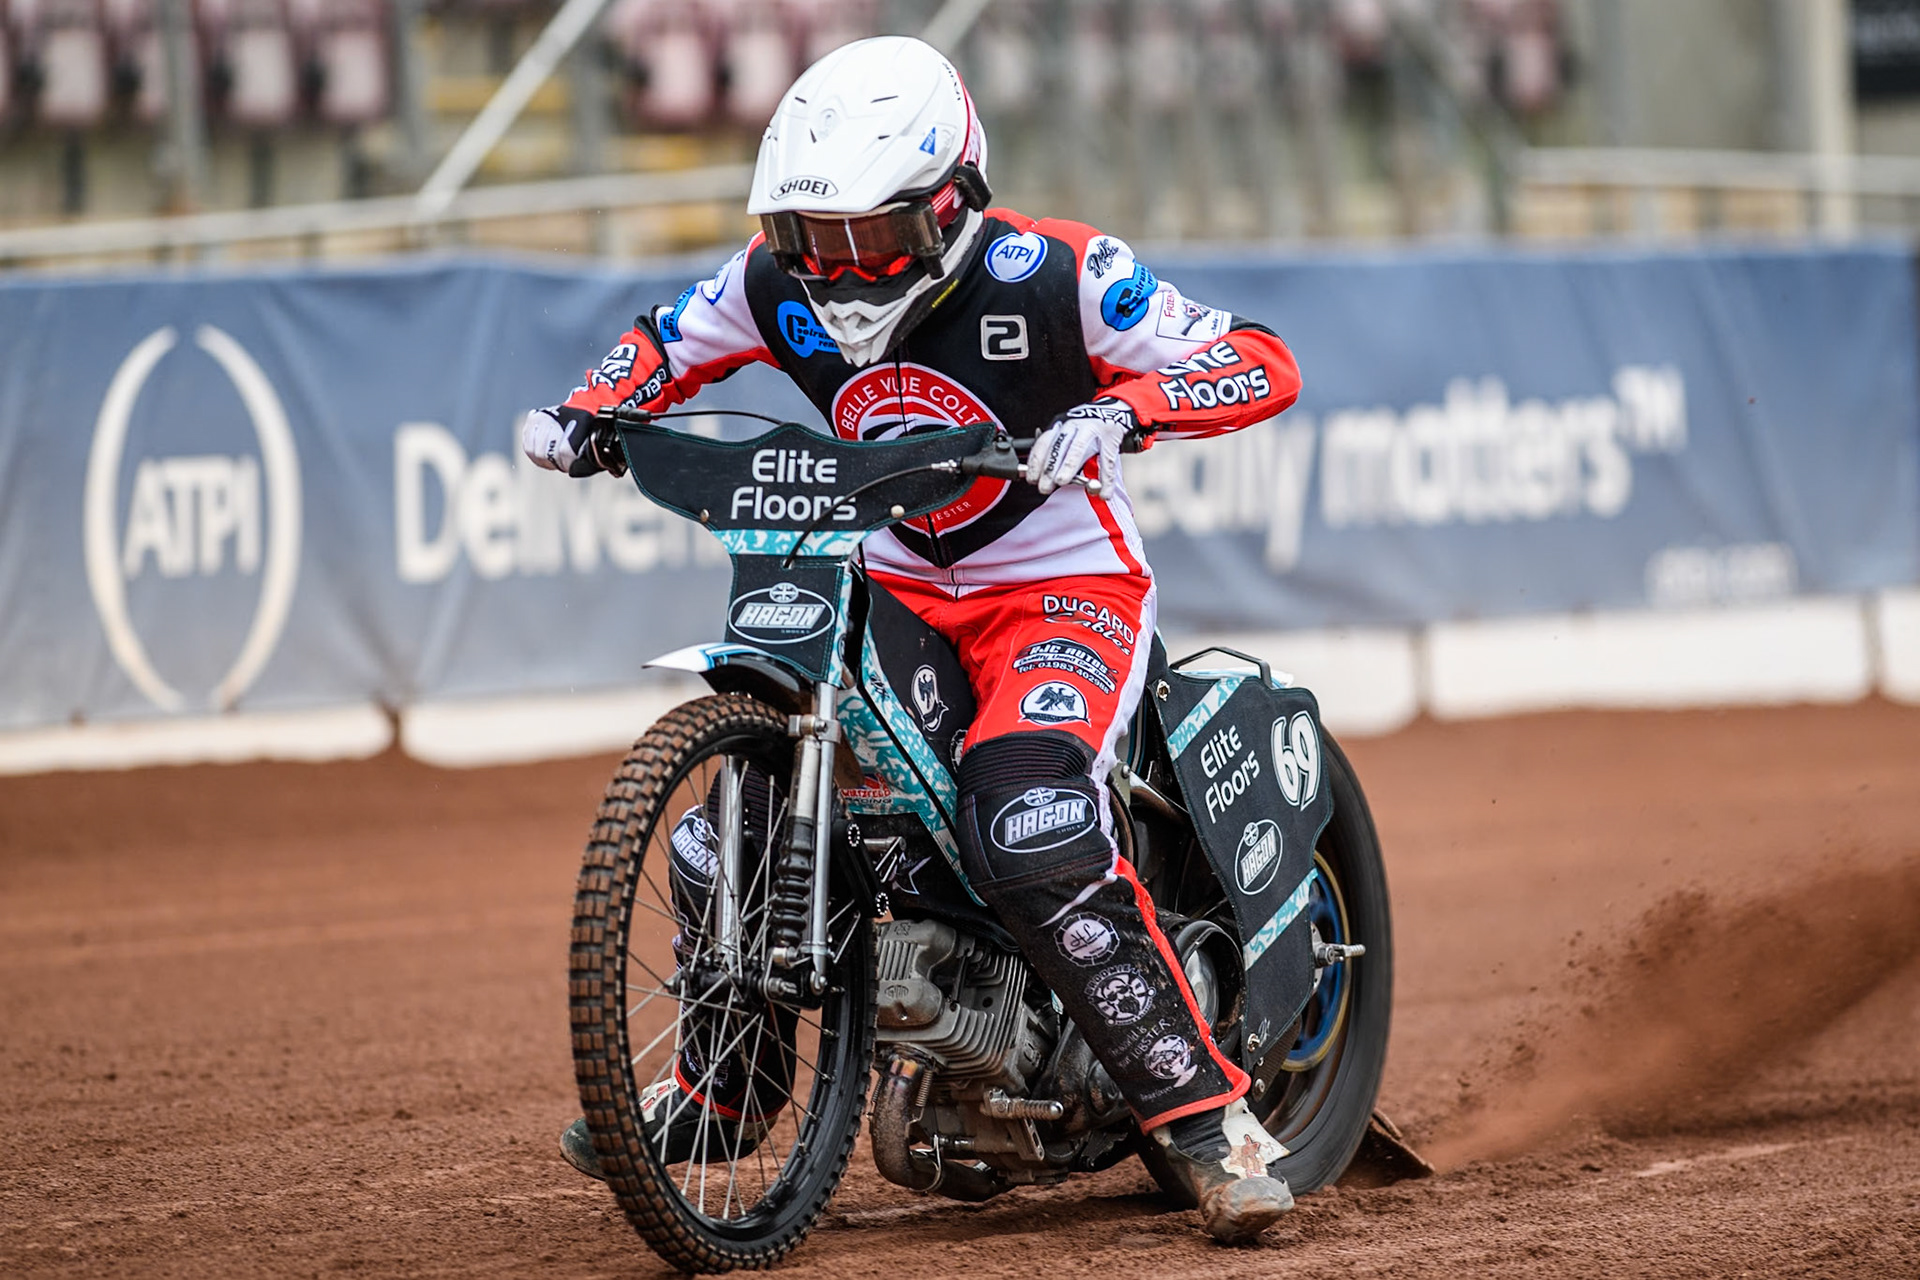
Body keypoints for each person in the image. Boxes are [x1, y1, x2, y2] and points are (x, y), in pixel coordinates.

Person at [526, 35, 1304, 1244]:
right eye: (809, 241)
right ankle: (731, 1092)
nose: (834, 273)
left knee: (1027, 812)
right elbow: (666, 342)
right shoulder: (767, 281)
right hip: (890, 576)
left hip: (1060, 585)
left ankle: (1210, 1123)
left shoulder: (1064, 273)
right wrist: (588, 409)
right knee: (716, 843)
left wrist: (1124, 410)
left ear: (951, 203)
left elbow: (1258, 359)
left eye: (866, 240)